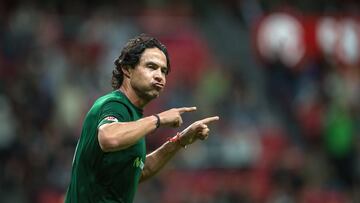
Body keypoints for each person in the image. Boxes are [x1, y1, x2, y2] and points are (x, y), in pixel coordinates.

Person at [65, 34, 219, 203]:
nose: (159, 76)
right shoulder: (114, 104)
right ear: (127, 69)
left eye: (164, 71)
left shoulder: (133, 116)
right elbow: (108, 138)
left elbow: (140, 171)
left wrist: (180, 141)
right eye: (151, 67)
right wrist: (158, 119)